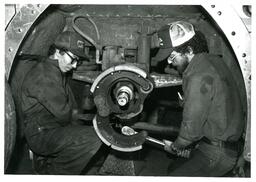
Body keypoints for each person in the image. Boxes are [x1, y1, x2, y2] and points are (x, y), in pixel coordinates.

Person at [154, 21, 245, 176]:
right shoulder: (214, 61)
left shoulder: (198, 76)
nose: (171, 63)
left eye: (172, 57)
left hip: (216, 153)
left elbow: (192, 128)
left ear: (189, 50)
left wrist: (177, 146)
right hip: (223, 145)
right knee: (173, 168)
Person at [21, 31, 102, 175]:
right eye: (73, 59)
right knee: (92, 138)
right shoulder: (45, 76)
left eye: (77, 61)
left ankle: (49, 160)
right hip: (41, 134)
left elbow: (69, 107)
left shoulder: (55, 71)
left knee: (91, 134)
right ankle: (52, 174)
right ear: (58, 52)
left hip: (50, 127)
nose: (75, 66)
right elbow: (65, 114)